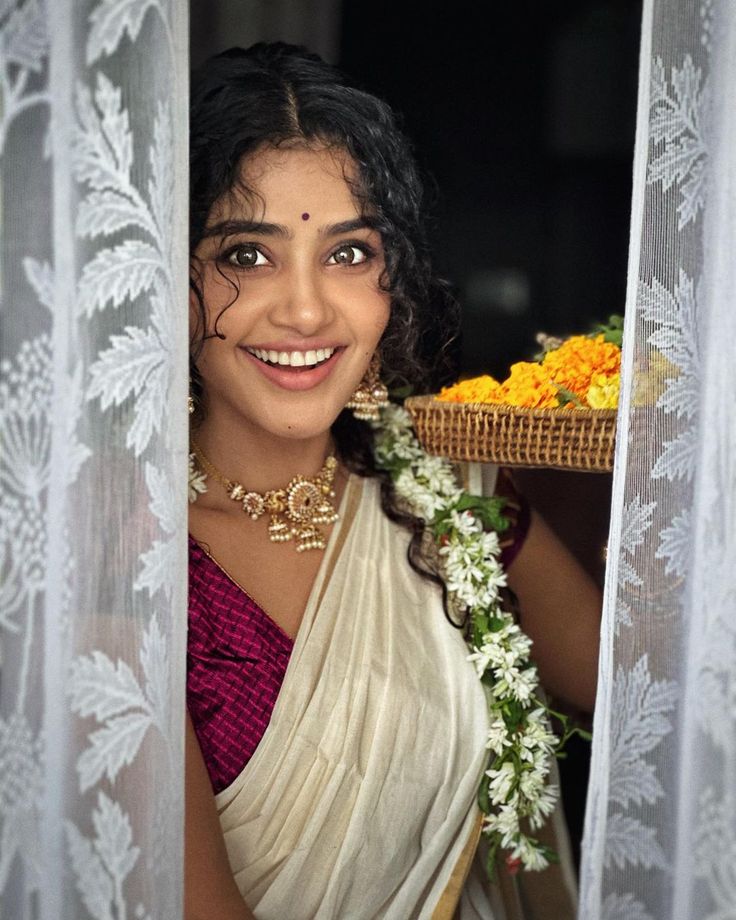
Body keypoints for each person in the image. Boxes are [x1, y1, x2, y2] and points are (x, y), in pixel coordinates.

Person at [185, 42, 602, 920]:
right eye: (245, 255)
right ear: (165, 280)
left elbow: (659, 696)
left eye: (348, 254)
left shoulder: (451, 500)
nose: (304, 310)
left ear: (393, 282)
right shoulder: (121, 563)